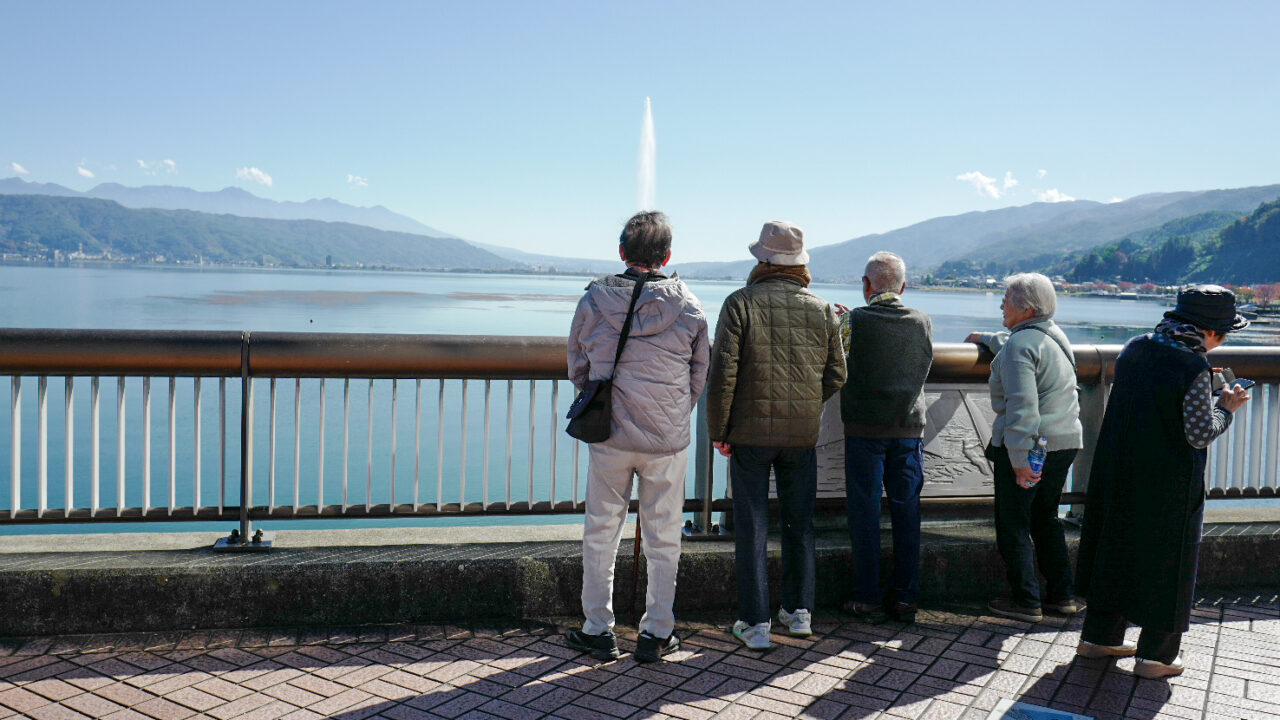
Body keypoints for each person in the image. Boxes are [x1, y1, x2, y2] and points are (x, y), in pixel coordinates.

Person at [1074, 285, 1250, 679]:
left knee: (1115, 549)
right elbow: (1199, 433)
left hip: (1118, 472)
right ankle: (1156, 657)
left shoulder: (1135, 348)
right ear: (1212, 332)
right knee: (1168, 564)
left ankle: (1098, 637)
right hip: (1168, 483)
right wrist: (1227, 407)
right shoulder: (1192, 367)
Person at [565, 211, 709, 663]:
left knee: (601, 531)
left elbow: (578, 367)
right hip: (666, 440)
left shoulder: (593, 301)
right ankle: (657, 633)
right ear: (667, 255)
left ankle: (597, 629)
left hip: (610, 435)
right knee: (665, 536)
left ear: (622, 252)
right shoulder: (689, 305)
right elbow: (699, 374)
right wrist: (670, 414)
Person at [707, 220, 846, 650]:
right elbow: (837, 374)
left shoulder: (740, 303)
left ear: (762, 261)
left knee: (751, 526)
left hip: (749, 434)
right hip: (801, 436)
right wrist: (804, 404)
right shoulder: (822, 309)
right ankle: (800, 613)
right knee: (799, 524)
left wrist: (720, 430)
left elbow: (723, 374)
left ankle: (755, 623)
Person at [965, 273, 1083, 623]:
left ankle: (1026, 601)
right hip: (1064, 443)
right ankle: (1062, 596)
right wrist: (989, 338)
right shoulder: (1053, 335)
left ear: (1027, 307)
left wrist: (1019, 460)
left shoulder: (1020, 346)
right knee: (1046, 519)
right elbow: (1019, 347)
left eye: (1007, 298)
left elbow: (1021, 408)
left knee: (1013, 523)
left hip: (1030, 448)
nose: (1001, 303)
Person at [836, 251, 932, 624]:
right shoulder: (922, 320)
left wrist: (842, 321)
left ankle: (868, 598)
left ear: (866, 285)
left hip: (864, 428)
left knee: (865, 511)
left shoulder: (853, 320)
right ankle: (907, 598)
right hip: (909, 429)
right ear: (903, 287)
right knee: (908, 512)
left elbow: (838, 361)